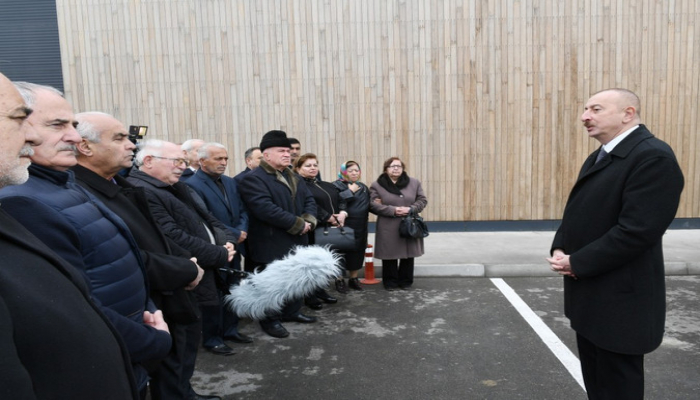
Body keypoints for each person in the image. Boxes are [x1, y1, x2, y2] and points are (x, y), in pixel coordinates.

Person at [0, 82, 171, 397]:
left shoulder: (65, 184)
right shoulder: (22, 201)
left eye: (74, 126)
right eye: (58, 125)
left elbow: (123, 262)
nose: (76, 138)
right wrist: (151, 340)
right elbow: (71, 311)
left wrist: (146, 314)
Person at [546, 89, 684, 400]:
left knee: (617, 387)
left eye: (595, 109)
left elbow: (637, 231)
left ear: (628, 113)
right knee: (598, 383)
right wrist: (560, 245)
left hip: (622, 302)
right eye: (585, 109)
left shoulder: (653, 157)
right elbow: (577, 211)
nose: (584, 116)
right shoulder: (601, 155)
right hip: (594, 297)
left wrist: (577, 262)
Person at [71, 111, 216, 400]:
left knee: (178, 360)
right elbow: (126, 253)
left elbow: (160, 236)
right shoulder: (83, 194)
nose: (131, 145)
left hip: (168, 289)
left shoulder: (117, 186)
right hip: (146, 303)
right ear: (85, 147)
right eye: (120, 138)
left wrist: (190, 262)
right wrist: (187, 269)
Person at [127, 139, 237, 364]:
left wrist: (227, 241)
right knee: (179, 349)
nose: (183, 166)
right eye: (177, 161)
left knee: (188, 345)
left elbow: (210, 219)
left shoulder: (177, 186)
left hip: (201, 271)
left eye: (185, 161)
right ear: (148, 161)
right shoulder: (142, 191)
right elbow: (172, 236)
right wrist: (220, 254)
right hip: (182, 278)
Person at [238, 130, 318, 338]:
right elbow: (264, 209)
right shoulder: (253, 179)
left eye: (288, 151)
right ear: (266, 155)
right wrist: (298, 224)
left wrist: (308, 220)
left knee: (295, 278)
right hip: (270, 242)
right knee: (271, 284)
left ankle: (291, 312)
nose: (287, 154)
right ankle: (270, 320)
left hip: (297, 238)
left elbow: (309, 199)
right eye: (281, 151)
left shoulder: (292, 175)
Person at [185, 142, 253, 345]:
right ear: (201, 160)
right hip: (215, 247)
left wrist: (242, 230)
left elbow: (241, 210)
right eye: (218, 159)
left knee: (232, 289)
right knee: (213, 295)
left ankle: (231, 329)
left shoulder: (230, 182)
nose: (223, 163)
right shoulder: (191, 185)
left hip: (234, 245)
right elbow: (205, 217)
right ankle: (213, 338)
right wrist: (233, 234)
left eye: (225, 159)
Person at [369, 157, 428, 291]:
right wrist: (393, 210)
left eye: (399, 166)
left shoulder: (414, 183)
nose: (396, 168)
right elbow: (372, 205)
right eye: (392, 166)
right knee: (389, 254)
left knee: (408, 254)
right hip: (388, 224)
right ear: (386, 169)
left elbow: (422, 200)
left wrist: (411, 209)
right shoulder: (377, 185)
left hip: (409, 222)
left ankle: (406, 281)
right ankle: (390, 282)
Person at [294, 153, 343, 305]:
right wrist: (327, 216)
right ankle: (309, 295)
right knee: (310, 263)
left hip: (326, 228)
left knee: (321, 262)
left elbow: (340, 197)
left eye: (315, 165)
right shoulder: (299, 184)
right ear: (297, 168)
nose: (313, 168)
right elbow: (309, 204)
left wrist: (342, 213)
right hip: (311, 228)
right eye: (308, 165)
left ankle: (320, 290)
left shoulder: (321, 183)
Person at [333, 160, 371, 290]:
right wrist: (350, 191)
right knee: (341, 253)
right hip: (344, 225)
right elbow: (336, 202)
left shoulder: (363, 187)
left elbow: (369, 205)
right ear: (344, 172)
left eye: (356, 170)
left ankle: (353, 279)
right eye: (350, 171)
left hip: (360, 226)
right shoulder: (336, 185)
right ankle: (339, 280)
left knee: (357, 253)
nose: (354, 173)